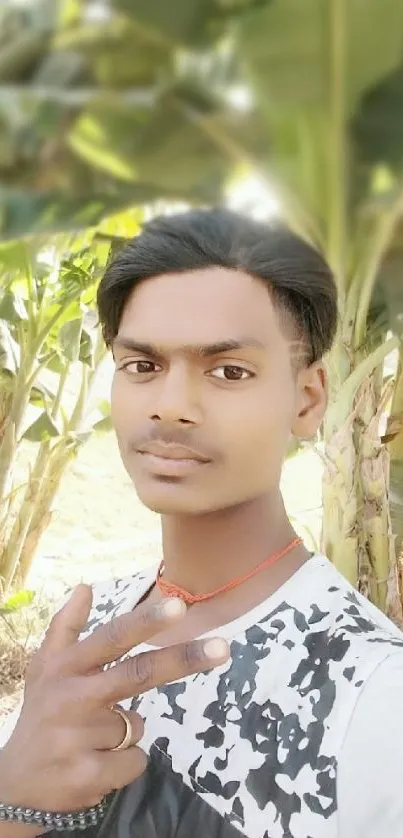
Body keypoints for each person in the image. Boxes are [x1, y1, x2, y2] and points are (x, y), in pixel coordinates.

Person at [0, 208, 403, 838]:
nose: (170, 406)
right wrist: (14, 798)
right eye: (142, 366)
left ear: (308, 399)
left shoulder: (372, 695)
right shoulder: (87, 632)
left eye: (229, 372)